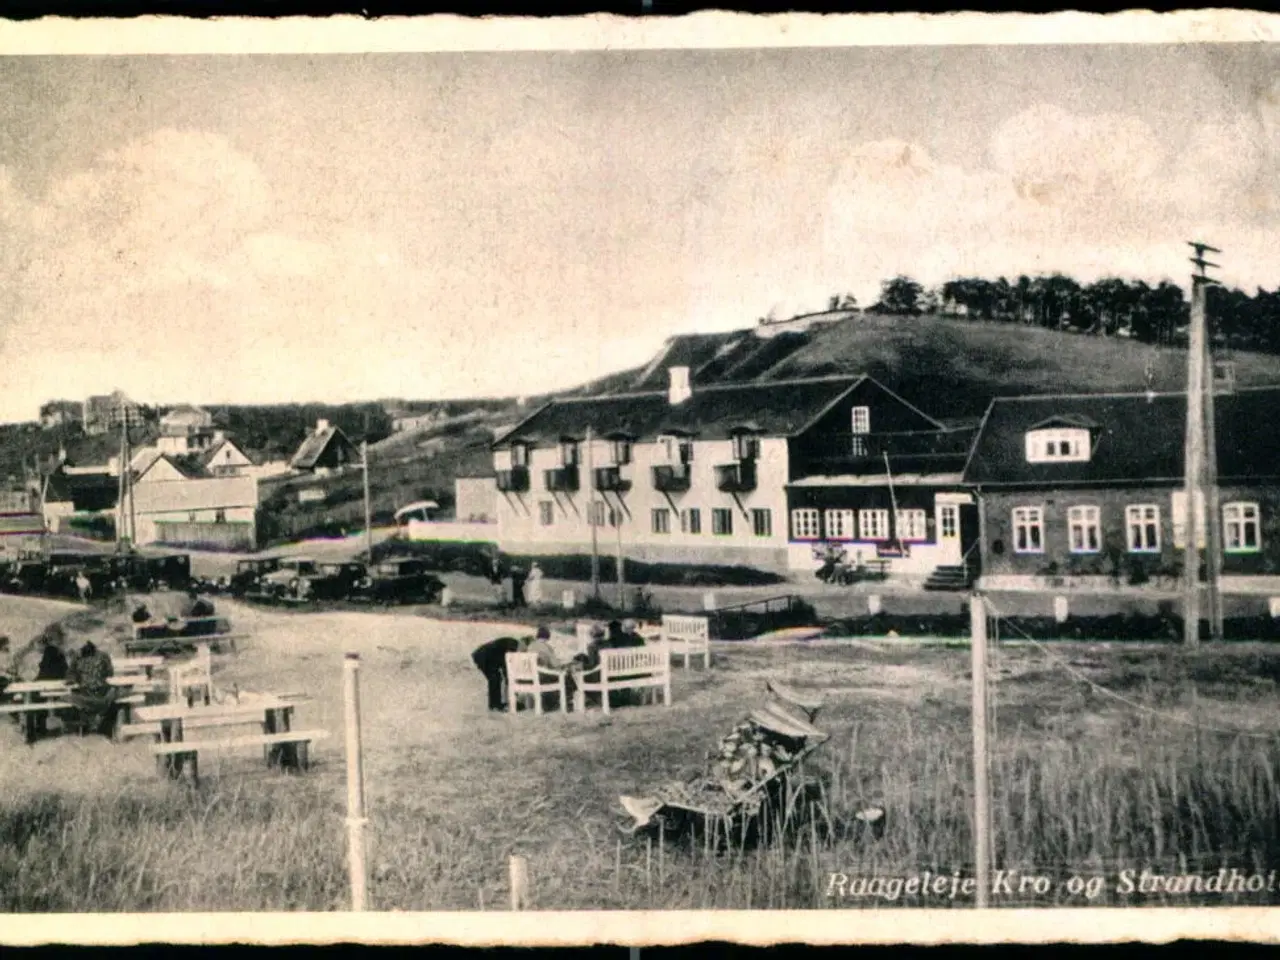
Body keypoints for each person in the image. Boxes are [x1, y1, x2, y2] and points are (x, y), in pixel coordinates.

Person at [66, 640, 117, 737]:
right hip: (102, 691)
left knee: (72, 698)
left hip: (85, 692)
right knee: (114, 695)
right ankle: (101, 722)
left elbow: (70, 675)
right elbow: (110, 673)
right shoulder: (103, 656)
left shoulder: (77, 657)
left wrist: (75, 678)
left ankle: (87, 724)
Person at [471, 635, 523, 711]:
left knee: (495, 678)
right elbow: (507, 665)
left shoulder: (513, 644)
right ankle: (495, 705)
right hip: (483, 657)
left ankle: (495, 704)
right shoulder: (513, 645)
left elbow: (506, 666)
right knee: (494, 678)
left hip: (486, 657)